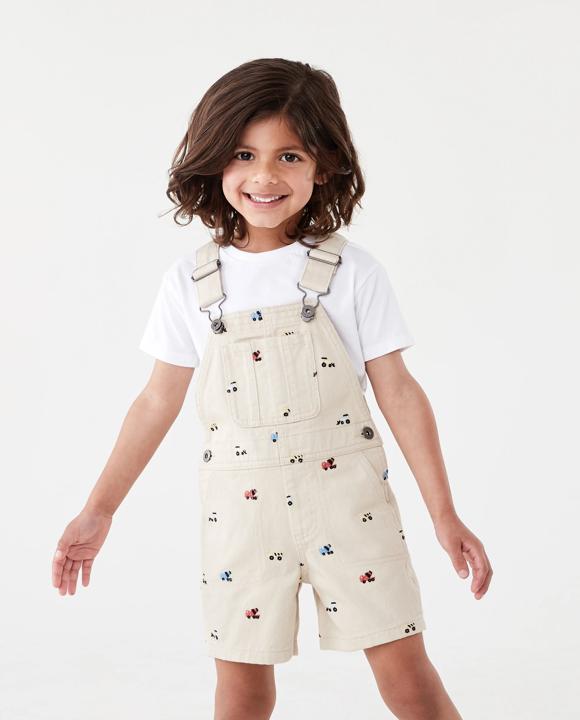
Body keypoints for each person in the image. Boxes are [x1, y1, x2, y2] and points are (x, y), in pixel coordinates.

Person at [52, 58, 492, 720]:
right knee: (241, 687)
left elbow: (399, 393)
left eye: (289, 156)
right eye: (243, 155)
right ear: (213, 162)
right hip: (241, 516)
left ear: (324, 166)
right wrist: (99, 509)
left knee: (405, 673)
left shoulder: (351, 272)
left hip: (350, 505)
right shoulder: (190, 282)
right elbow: (155, 402)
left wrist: (444, 514)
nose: (264, 176)